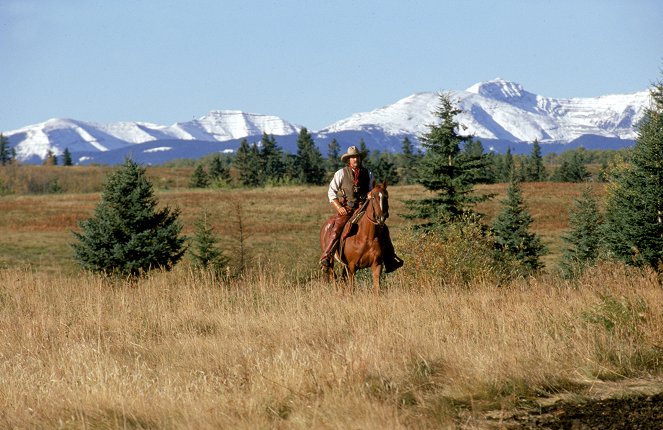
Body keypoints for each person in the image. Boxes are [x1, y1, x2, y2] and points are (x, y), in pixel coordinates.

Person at [319, 145, 403, 272]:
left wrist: (370, 194)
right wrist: (339, 207)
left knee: (383, 228)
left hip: (364, 208)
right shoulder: (341, 173)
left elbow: (372, 190)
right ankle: (327, 255)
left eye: (357, 157)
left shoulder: (368, 173)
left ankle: (389, 259)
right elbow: (331, 192)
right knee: (337, 228)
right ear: (349, 159)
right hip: (347, 209)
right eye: (352, 157)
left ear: (360, 158)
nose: (355, 159)